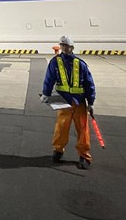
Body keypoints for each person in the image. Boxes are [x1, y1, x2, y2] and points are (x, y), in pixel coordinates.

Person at [40, 35, 96, 169]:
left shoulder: (80, 64)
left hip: (79, 102)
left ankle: (84, 155)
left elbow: (89, 83)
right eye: (62, 45)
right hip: (63, 101)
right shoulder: (55, 62)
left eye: (67, 46)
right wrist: (46, 94)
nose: (64, 48)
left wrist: (91, 102)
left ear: (72, 47)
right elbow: (49, 78)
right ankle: (58, 150)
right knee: (61, 128)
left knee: (82, 129)